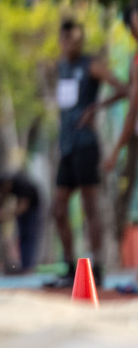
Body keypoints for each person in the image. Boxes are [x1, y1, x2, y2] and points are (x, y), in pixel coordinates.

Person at [45, 19, 125, 289]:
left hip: (86, 144)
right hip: (66, 146)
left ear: (81, 41)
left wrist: (96, 108)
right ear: (61, 41)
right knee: (57, 208)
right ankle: (69, 267)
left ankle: (97, 266)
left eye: (76, 40)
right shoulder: (61, 67)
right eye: (66, 40)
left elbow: (123, 88)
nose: (71, 45)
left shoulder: (90, 64)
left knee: (89, 207)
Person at [102, 0, 138, 293]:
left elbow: (133, 108)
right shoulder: (135, 59)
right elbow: (131, 96)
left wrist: (115, 150)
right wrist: (102, 104)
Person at [0, 172, 42, 274]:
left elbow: (23, 207)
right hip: (23, 211)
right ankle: (24, 264)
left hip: (32, 210)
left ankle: (28, 266)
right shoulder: (10, 188)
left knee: (29, 237)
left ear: (6, 184)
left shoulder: (21, 184)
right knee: (22, 237)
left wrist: (5, 216)